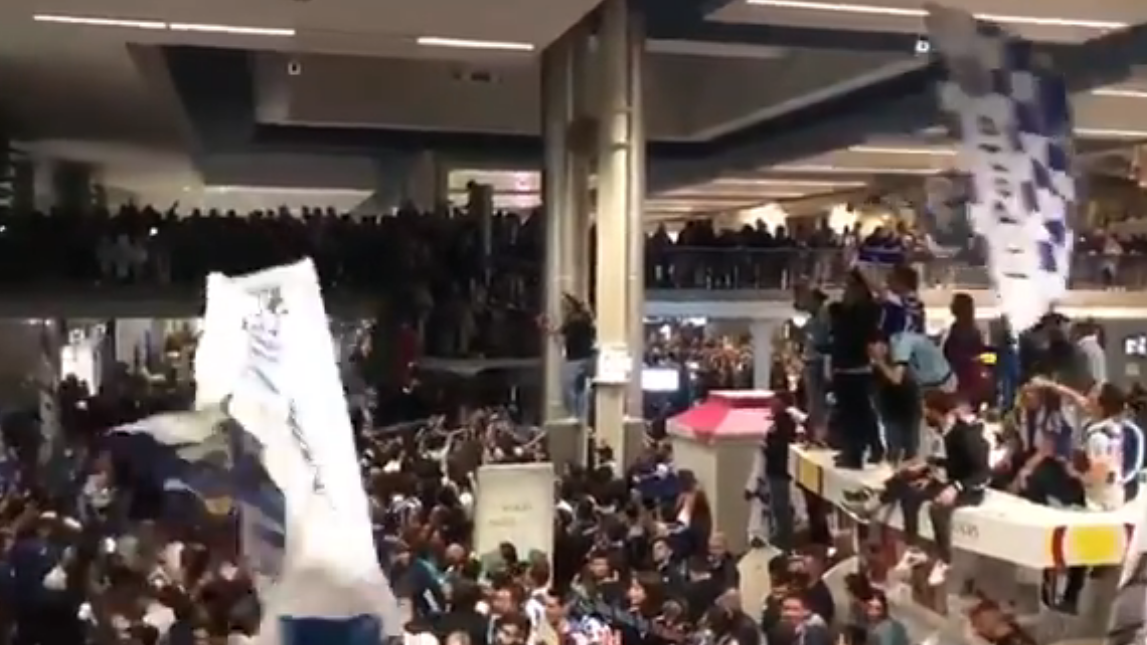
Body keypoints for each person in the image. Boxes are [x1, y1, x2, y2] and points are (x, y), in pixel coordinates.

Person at [843, 390, 990, 586]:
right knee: (909, 489)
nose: (924, 414)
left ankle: (945, 560)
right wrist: (929, 467)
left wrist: (956, 487)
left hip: (969, 489)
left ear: (939, 412)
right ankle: (911, 546)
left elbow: (982, 473)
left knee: (938, 508)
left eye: (927, 410)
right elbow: (954, 463)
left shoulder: (967, 436)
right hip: (950, 480)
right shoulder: (945, 432)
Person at [829, 270, 882, 468]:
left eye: (851, 286)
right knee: (854, 413)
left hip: (856, 367)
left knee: (857, 414)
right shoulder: (845, 311)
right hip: (844, 367)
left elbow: (863, 334)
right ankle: (860, 449)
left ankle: (855, 453)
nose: (847, 290)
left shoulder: (866, 311)